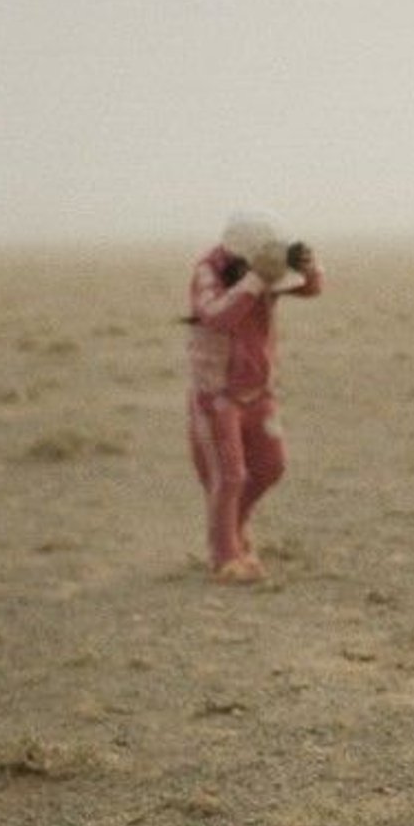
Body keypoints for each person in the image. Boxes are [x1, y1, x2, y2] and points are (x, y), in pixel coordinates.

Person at [184, 210, 324, 585]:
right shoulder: (209, 271)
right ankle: (225, 556)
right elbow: (215, 316)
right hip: (218, 394)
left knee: (270, 465)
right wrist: (254, 280)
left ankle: (234, 528)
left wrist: (307, 267)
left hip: (258, 390)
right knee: (229, 475)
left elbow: (309, 289)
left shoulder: (262, 271)